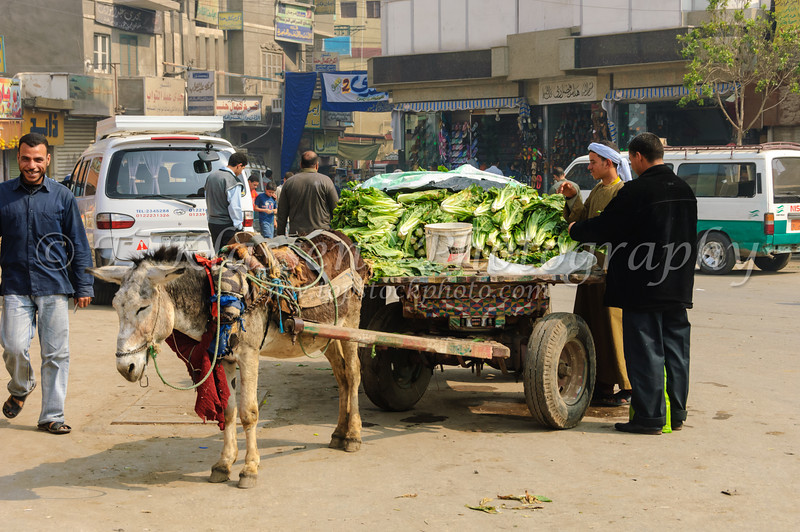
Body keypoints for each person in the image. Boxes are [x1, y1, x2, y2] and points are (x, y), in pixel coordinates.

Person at [568, 132, 697, 435]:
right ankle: (676, 414)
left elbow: (608, 226)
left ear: (638, 157)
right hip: (677, 286)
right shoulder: (685, 190)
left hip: (643, 288)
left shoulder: (637, 191)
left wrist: (577, 230)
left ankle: (649, 417)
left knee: (645, 352)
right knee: (676, 351)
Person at [0, 132, 94, 435]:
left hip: (54, 285)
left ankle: (51, 415)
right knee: (13, 346)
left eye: (38, 159)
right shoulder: (2, 194)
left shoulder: (62, 196)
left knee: (56, 354)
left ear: (48, 160)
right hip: (14, 285)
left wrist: (84, 286)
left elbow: (78, 244)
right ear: (18, 159)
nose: (32, 165)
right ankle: (22, 385)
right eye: (26, 159)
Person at [561, 141, 632, 407]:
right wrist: (572, 197)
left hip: (611, 270)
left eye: (592, 162)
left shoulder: (622, 192)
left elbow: (606, 227)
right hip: (590, 269)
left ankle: (626, 386)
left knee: (613, 327)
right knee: (591, 324)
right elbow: (582, 219)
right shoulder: (599, 190)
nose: (589, 167)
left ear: (609, 163)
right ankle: (601, 384)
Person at [277, 151, 338, 236]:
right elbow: (336, 210)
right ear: (317, 165)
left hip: (296, 237)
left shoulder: (289, 183)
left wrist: (281, 238)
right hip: (321, 237)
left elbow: (281, 215)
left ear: (301, 164)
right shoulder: (326, 181)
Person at [205, 151, 248, 254]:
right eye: (242, 169)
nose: (241, 172)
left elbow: (207, 198)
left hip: (213, 224)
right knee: (229, 258)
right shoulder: (233, 181)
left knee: (218, 254)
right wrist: (239, 227)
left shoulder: (211, 177)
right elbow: (234, 207)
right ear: (239, 165)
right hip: (227, 226)